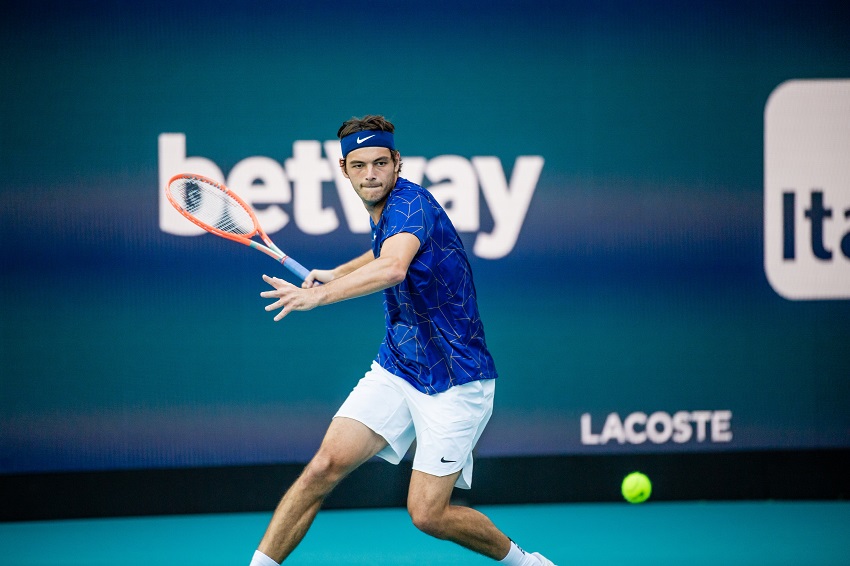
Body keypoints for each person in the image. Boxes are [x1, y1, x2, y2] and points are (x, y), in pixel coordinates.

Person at [249, 115, 556, 566]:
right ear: (344, 170)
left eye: (379, 163)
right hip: (399, 367)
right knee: (323, 467)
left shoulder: (410, 205)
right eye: (359, 166)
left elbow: (393, 267)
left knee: (428, 514)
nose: (369, 174)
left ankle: (527, 563)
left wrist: (321, 298)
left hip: (456, 380)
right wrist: (337, 273)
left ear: (397, 163)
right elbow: (384, 251)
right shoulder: (386, 212)